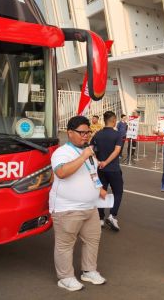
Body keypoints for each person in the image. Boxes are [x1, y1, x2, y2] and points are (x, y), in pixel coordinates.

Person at [49, 116, 107, 291]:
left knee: (92, 239)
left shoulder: (88, 151)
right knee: (65, 244)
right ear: (70, 133)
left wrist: (100, 188)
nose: (86, 135)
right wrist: (83, 157)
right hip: (67, 208)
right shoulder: (62, 152)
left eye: (88, 132)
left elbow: (92, 172)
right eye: (82, 132)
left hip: (90, 207)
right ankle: (65, 277)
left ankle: (89, 271)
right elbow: (61, 173)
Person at [91, 111, 124, 231]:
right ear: (114, 121)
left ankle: (100, 218)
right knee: (118, 192)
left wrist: (99, 161)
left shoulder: (97, 134)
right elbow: (116, 151)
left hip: (100, 169)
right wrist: (106, 162)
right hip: (113, 169)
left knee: (101, 191)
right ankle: (112, 215)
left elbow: (90, 150)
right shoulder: (117, 134)